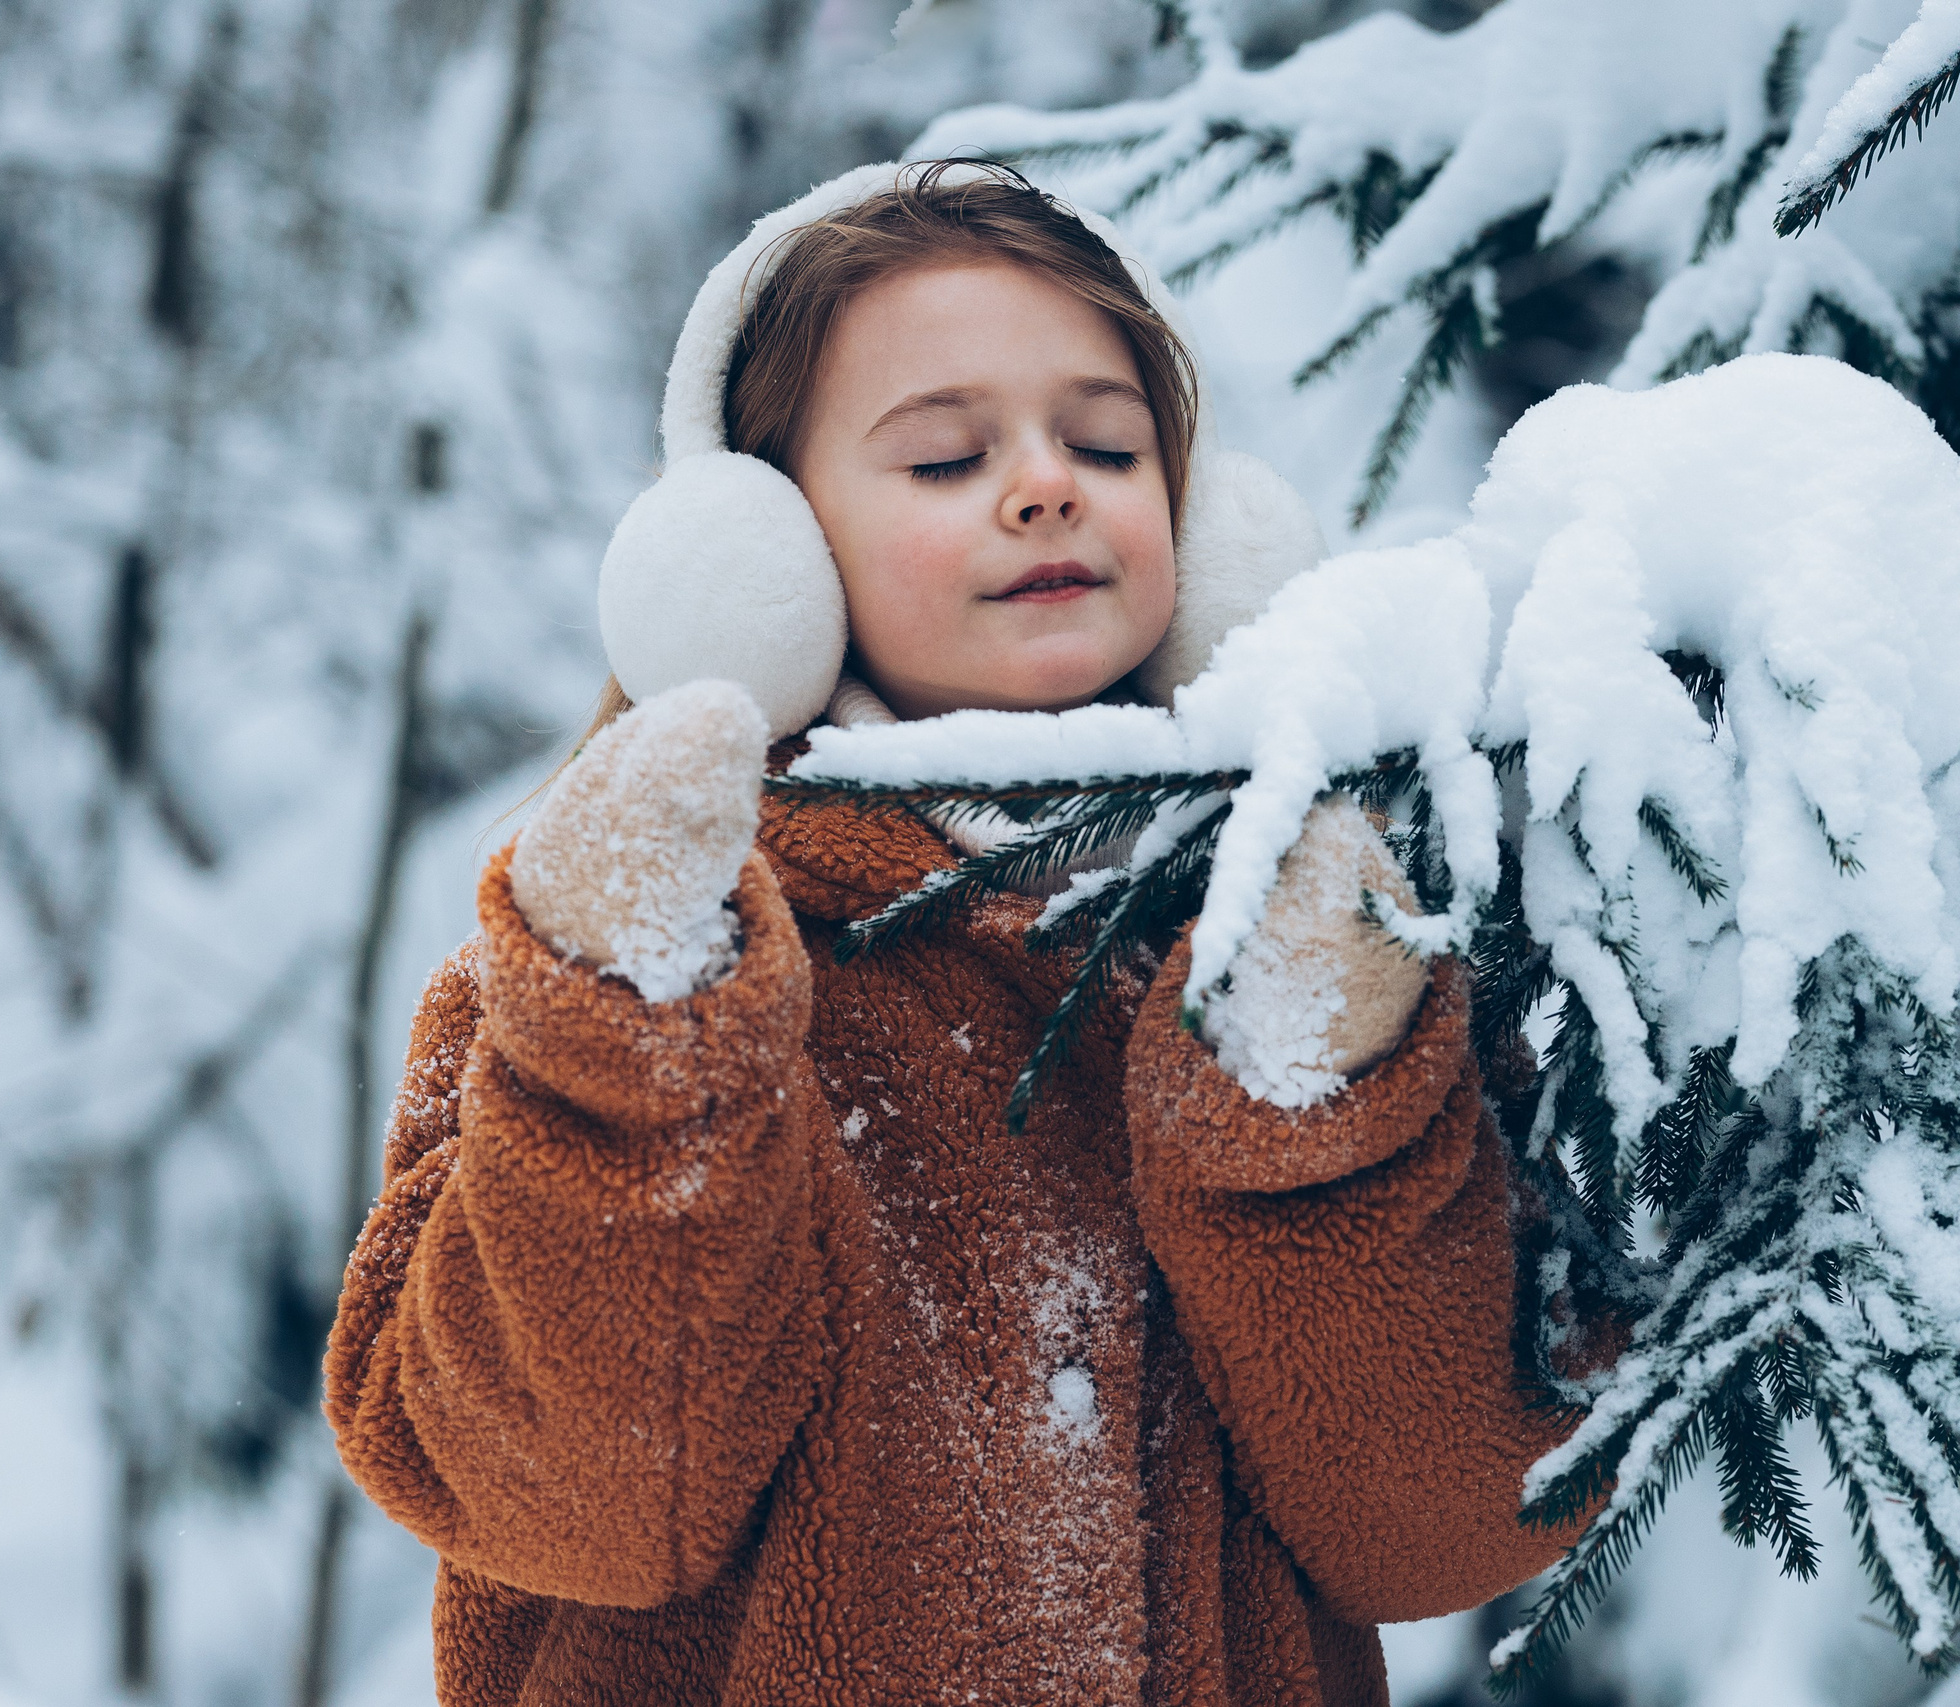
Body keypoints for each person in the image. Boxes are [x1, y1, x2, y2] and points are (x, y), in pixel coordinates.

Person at [325, 158, 1608, 1707]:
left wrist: (1307, 1080)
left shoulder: (1317, 936)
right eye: (943, 459)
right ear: (759, 557)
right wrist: (630, 1041)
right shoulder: (589, 970)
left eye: (1108, 442)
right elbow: (571, 1498)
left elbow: (1446, 1523)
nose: (1046, 483)